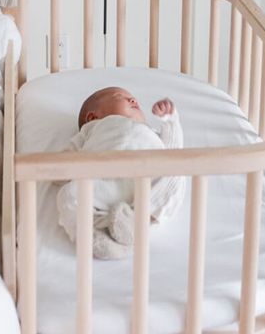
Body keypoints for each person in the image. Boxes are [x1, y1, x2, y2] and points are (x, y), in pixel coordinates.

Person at [56, 87, 185, 260]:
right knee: (68, 195)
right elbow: (69, 155)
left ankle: (137, 222)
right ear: (92, 117)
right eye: (120, 97)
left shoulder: (150, 132)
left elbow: (173, 149)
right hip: (105, 183)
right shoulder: (92, 129)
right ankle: (95, 237)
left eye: (133, 97)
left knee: (176, 171)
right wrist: (58, 169)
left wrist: (170, 121)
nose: (132, 100)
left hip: (146, 184)